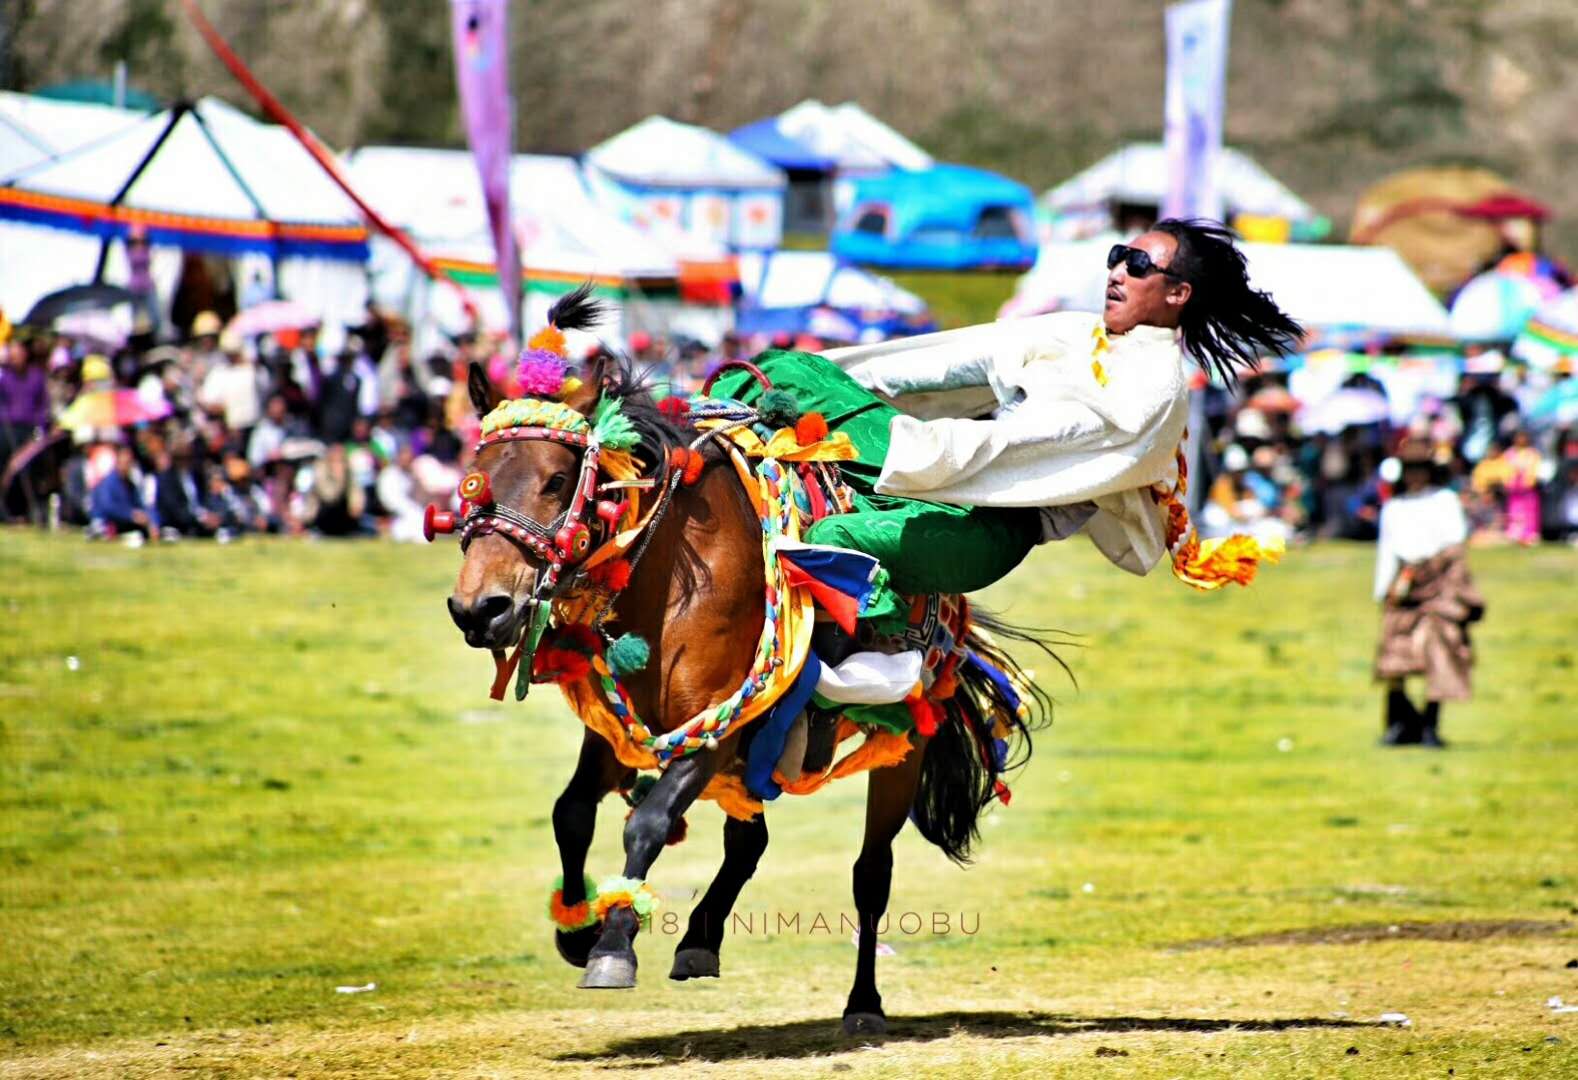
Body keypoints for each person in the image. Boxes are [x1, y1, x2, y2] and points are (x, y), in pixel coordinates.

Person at [709, 218, 1303, 599]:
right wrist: (838, 383)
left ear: (1177, 294)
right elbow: (947, 360)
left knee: (831, 536)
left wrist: (907, 443)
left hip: (986, 524)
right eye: (1119, 255)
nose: (1118, 271)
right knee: (789, 369)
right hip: (925, 462)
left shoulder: (1154, 391)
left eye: (1139, 265)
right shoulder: (1076, 330)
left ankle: (858, 666)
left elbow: (1021, 444)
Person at [1373, 438, 1484, 748]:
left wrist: (1436, 574)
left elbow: (1455, 543)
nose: (1415, 476)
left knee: (1440, 653)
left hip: (1439, 585)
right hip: (1405, 587)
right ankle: (1399, 724)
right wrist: (1385, 590)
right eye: (1410, 470)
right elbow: (1388, 552)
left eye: (1420, 469)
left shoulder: (1444, 501)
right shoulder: (1394, 508)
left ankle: (1430, 727)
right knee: (1395, 656)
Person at [89, 443, 153, 541]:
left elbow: (139, 505)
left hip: (125, 522)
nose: (126, 465)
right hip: (108, 522)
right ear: (117, 462)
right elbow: (108, 506)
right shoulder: (108, 482)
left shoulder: (130, 485)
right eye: (124, 462)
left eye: (129, 462)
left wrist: (145, 516)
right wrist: (131, 515)